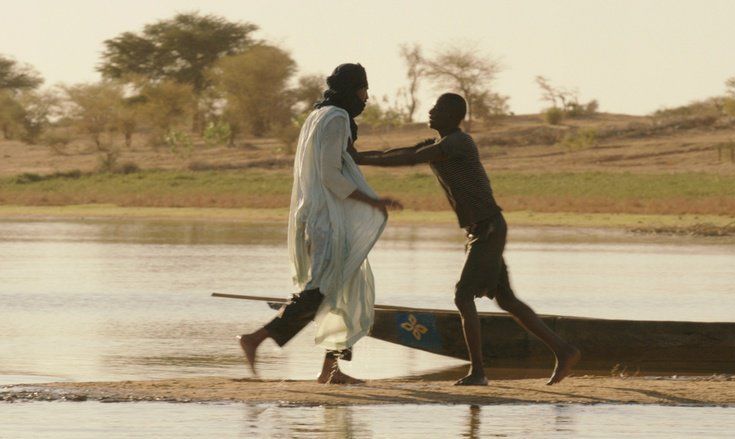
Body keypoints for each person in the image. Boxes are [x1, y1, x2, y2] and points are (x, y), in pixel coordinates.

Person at [354, 93, 580, 386]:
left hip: (488, 229)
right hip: (483, 229)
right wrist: (357, 156)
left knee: (463, 296)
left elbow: (409, 159)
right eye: (433, 106)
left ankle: (478, 372)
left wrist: (356, 158)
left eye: (438, 108)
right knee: (507, 299)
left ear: (452, 116)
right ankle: (564, 350)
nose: (431, 111)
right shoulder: (439, 145)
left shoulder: (458, 143)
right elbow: (400, 151)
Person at [238, 63, 401, 384]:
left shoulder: (319, 115)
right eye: (363, 90)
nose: (366, 97)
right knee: (321, 290)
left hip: (321, 216)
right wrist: (373, 201)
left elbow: (338, 160)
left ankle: (331, 370)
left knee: (346, 289)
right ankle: (255, 338)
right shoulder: (337, 117)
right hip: (328, 221)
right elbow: (329, 174)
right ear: (352, 89)